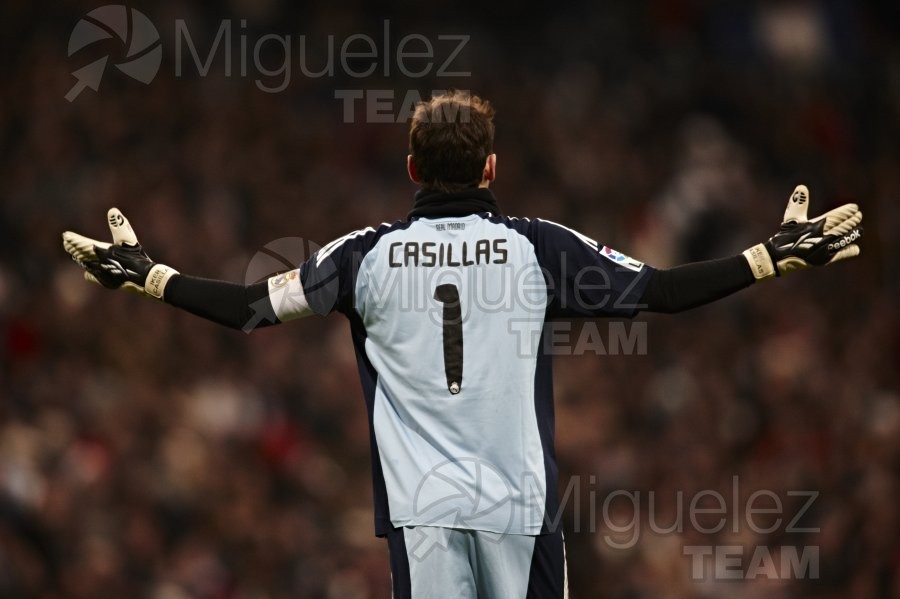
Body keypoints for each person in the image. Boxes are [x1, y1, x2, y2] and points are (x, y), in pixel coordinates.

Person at [62, 90, 863, 598]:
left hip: (425, 514)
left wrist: (152, 276)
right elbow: (661, 291)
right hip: (520, 506)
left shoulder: (361, 254)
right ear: (490, 166)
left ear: (411, 165)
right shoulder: (538, 245)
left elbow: (245, 308)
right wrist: (765, 258)